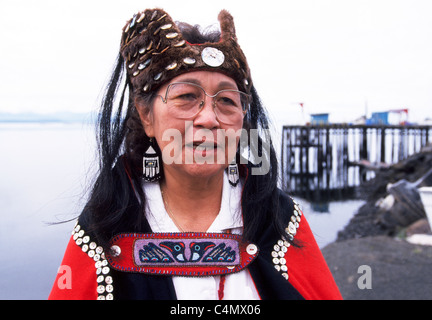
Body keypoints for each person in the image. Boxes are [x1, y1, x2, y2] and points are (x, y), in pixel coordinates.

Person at [49, 8, 342, 300]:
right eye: (187, 96)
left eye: (227, 100)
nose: (209, 118)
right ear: (146, 115)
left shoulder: (278, 219)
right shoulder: (107, 225)